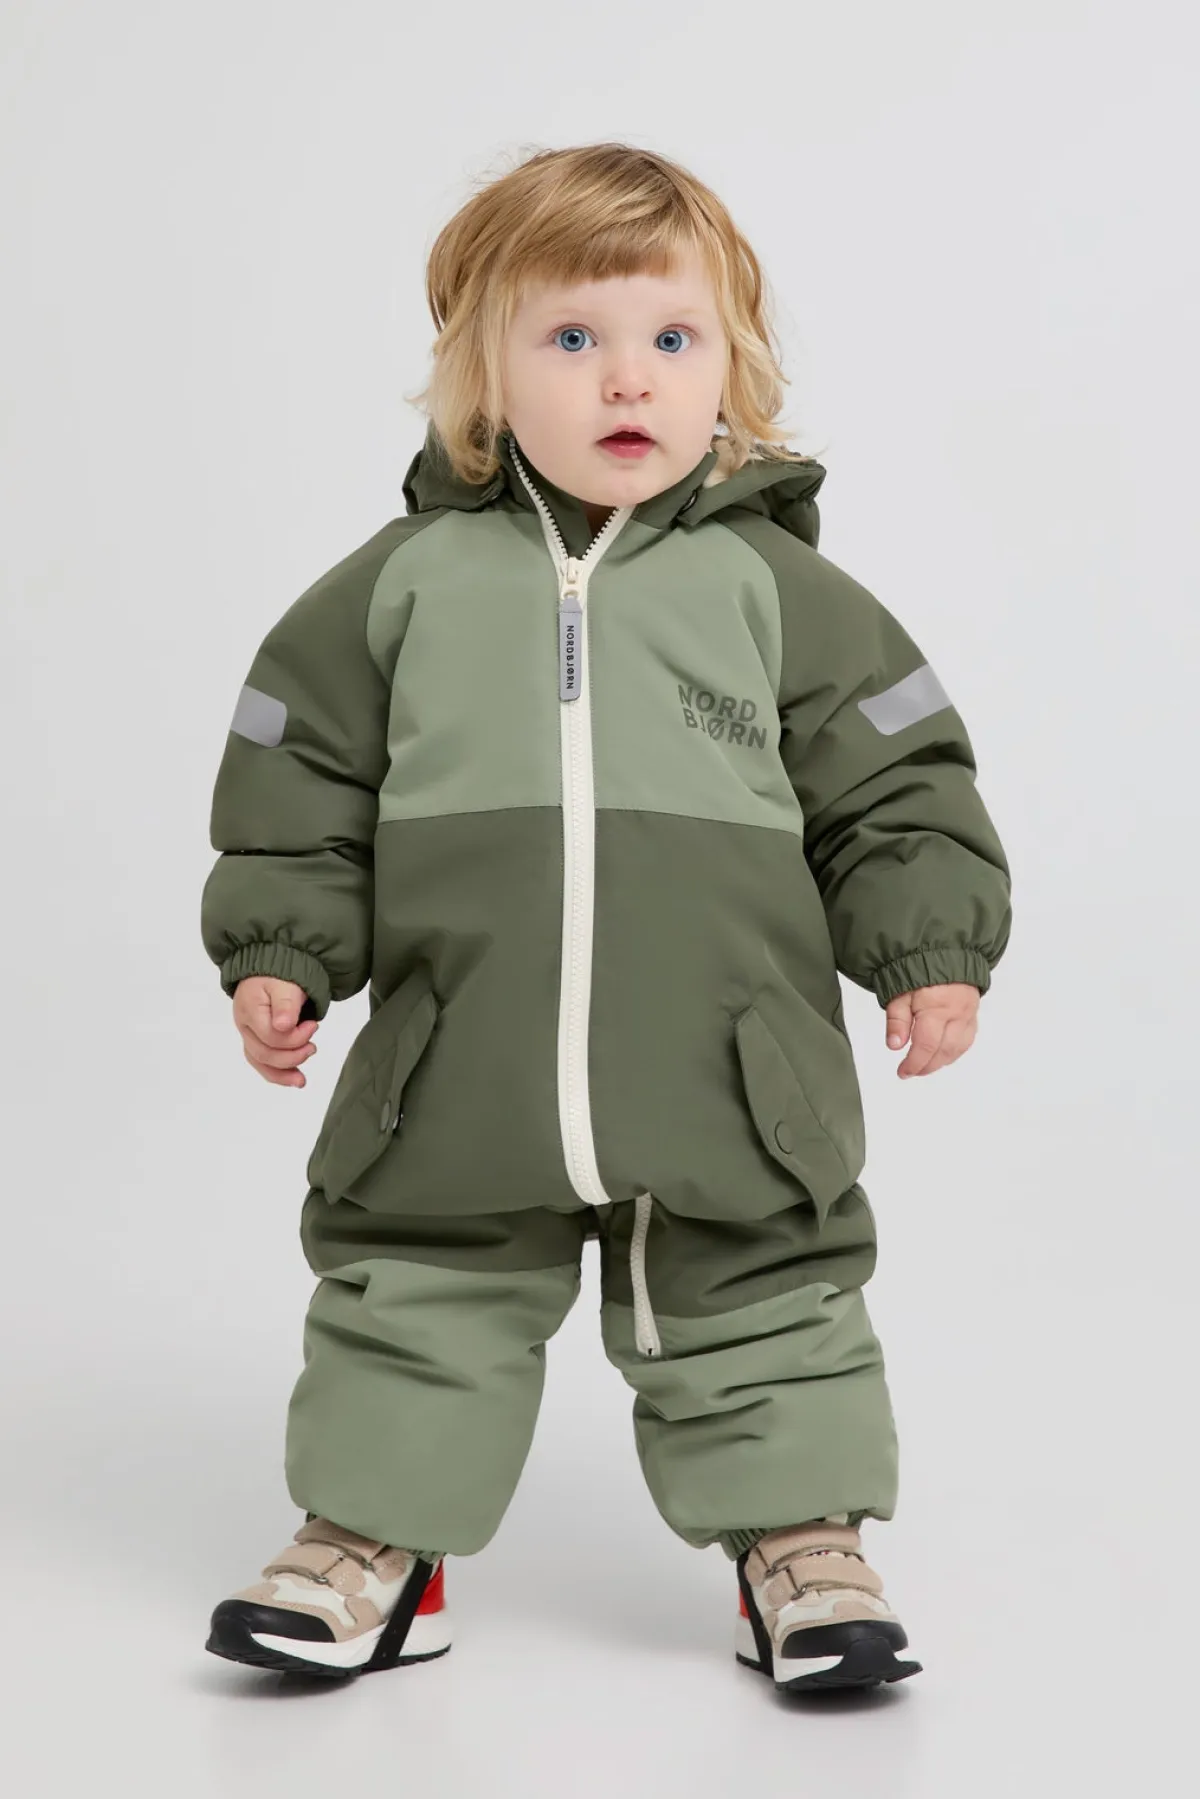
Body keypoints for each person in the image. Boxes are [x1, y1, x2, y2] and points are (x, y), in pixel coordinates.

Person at [199, 141, 1012, 1694]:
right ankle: (373, 1545)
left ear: (732, 371)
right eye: (573, 337)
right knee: (414, 1294)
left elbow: (899, 785)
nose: (626, 376)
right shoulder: (404, 586)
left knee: (764, 1295)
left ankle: (800, 1547)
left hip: (732, 1069)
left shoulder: (778, 591)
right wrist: (282, 947)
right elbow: (296, 773)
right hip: (459, 1063)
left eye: (671, 337)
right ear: (485, 376)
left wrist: (928, 948)